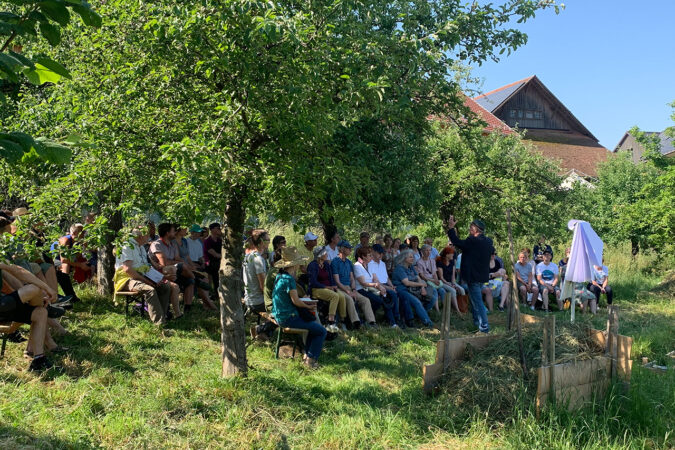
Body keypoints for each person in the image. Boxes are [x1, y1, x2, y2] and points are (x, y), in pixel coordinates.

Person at [271, 247, 327, 369]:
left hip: (279, 314)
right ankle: (311, 361)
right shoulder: (289, 279)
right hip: (288, 317)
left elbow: (291, 299)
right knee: (321, 331)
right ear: (295, 265)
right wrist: (308, 305)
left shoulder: (279, 276)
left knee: (313, 326)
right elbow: (295, 301)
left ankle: (307, 355)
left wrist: (304, 304)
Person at [0, 262, 61, 371]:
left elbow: (16, 270)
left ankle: (39, 360)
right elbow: (17, 270)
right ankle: (46, 305)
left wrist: (45, 289)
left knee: (40, 313)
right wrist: (47, 289)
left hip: (4, 307)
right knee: (33, 289)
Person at [114, 227, 173, 324]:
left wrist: (158, 278)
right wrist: (148, 281)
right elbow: (128, 269)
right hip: (127, 279)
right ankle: (159, 323)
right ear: (140, 236)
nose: (149, 237)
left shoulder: (141, 246)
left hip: (141, 276)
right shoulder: (126, 246)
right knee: (149, 289)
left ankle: (162, 315)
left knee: (164, 286)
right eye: (147, 235)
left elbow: (145, 267)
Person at [446, 216, 492, 334]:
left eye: (471, 227)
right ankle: (476, 323)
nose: (469, 229)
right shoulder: (488, 241)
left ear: (476, 229)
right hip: (481, 277)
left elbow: (456, 242)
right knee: (474, 301)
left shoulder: (472, 240)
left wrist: (451, 228)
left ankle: (484, 328)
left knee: (478, 302)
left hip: (473, 277)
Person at [148, 223, 195, 314]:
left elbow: (177, 258)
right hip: (161, 273)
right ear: (167, 233)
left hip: (173, 270)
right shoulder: (156, 244)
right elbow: (164, 263)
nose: (175, 233)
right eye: (173, 231)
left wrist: (174, 262)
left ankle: (187, 307)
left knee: (190, 281)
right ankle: (196, 278)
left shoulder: (172, 244)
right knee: (182, 267)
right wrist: (176, 262)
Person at [331, 240, 375, 328]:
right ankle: (356, 323)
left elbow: (352, 279)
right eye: (348, 248)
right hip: (340, 288)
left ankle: (371, 322)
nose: (350, 250)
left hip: (350, 288)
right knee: (350, 299)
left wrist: (354, 290)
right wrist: (348, 292)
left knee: (365, 300)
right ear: (342, 249)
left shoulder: (348, 262)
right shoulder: (335, 262)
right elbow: (337, 281)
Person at [353, 246, 397, 328]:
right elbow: (363, 283)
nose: (371, 257)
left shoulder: (369, 265)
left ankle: (392, 322)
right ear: (363, 256)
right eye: (369, 255)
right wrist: (375, 285)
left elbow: (375, 278)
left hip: (371, 288)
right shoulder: (357, 266)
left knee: (386, 296)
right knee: (379, 300)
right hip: (362, 289)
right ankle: (370, 319)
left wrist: (381, 287)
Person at [306, 246, 346, 333]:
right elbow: (313, 282)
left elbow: (331, 278)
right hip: (317, 289)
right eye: (325, 253)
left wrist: (334, 286)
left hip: (328, 288)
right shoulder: (312, 265)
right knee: (335, 296)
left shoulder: (326, 264)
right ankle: (331, 321)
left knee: (342, 296)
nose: (327, 254)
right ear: (320, 255)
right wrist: (327, 287)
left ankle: (342, 320)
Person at [391, 249, 434, 328]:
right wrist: (421, 284)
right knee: (416, 302)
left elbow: (418, 278)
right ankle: (428, 323)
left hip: (412, 289)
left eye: (413, 257)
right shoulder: (399, 268)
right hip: (402, 289)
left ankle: (421, 315)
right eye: (410, 257)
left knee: (432, 295)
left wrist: (422, 287)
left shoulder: (410, 267)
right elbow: (406, 283)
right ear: (404, 258)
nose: (413, 258)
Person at [243, 230, 273, 335]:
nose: (269, 242)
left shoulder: (248, 256)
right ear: (261, 242)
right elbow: (263, 287)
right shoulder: (258, 259)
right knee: (284, 309)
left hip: (249, 297)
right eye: (267, 240)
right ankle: (260, 330)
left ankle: (263, 332)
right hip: (257, 301)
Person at [369, 244, 403, 326]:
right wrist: (389, 288)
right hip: (377, 286)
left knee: (399, 293)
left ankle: (398, 318)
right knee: (391, 295)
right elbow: (375, 281)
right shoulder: (370, 264)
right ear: (373, 252)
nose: (381, 255)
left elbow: (387, 278)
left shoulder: (382, 264)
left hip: (385, 285)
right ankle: (395, 319)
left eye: (381, 253)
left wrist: (392, 286)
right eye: (379, 253)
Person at [416, 244, 446, 313]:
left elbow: (434, 273)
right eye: (426, 250)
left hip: (433, 280)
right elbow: (422, 276)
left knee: (442, 290)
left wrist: (435, 280)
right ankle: (435, 310)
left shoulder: (432, 261)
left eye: (429, 250)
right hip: (426, 281)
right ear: (422, 251)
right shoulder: (419, 262)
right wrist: (433, 280)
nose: (428, 252)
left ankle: (445, 309)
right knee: (434, 290)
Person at [436, 246, 462, 315]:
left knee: (461, 290)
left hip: (451, 282)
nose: (453, 255)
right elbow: (441, 277)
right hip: (442, 282)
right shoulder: (440, 262)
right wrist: (450, 285)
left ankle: (462, 307)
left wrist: (453, 284)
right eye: (452, 253)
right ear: (447, 254)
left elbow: (453, 276)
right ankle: (457, 310)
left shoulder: (452, 262)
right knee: (453, 290)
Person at [204, 223, 222, 292]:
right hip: (210, 263)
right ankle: (215, 293)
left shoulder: (220, 240)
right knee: (215, 271)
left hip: (218, 262)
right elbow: (215, 254)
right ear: (212, 229)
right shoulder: (207, 241)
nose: (219, 229)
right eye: (217, 228)